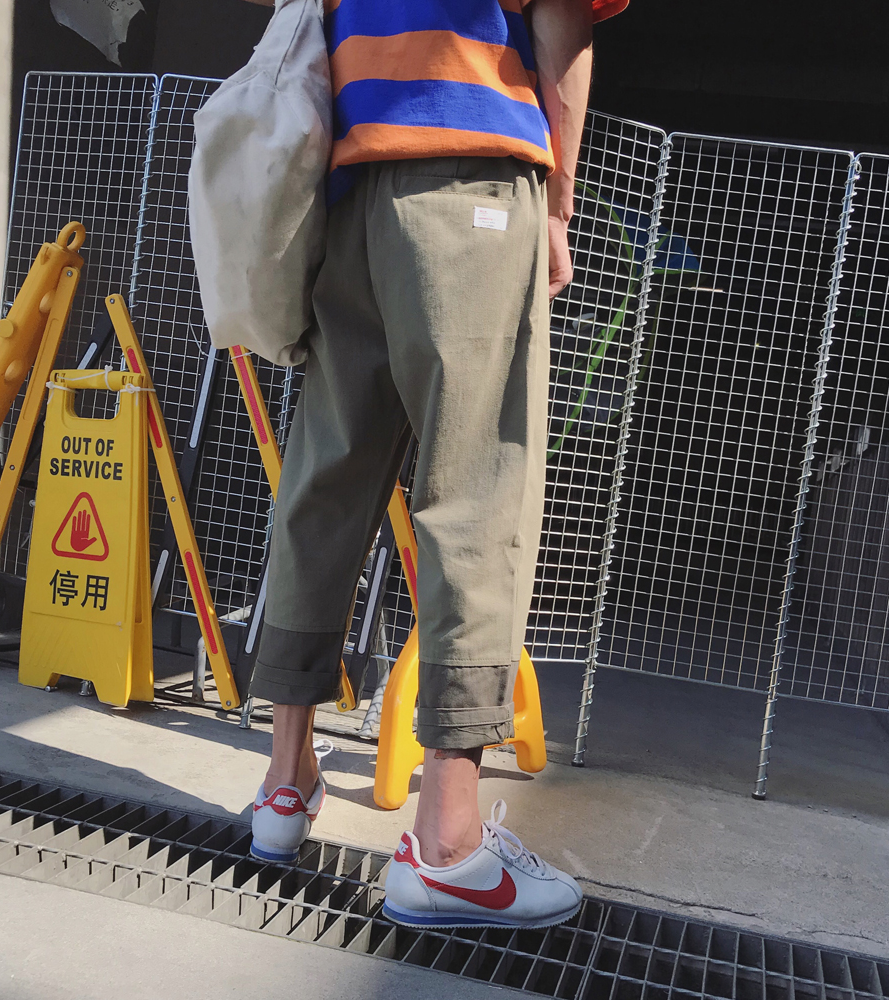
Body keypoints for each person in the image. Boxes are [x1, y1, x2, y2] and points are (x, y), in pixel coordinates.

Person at [242, 0, 627, 929]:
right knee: (477, 492)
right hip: (471, 183)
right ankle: (447, 849)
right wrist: (558, 205)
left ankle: (284, 785)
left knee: (325, 483)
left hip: (346, 196)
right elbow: (563, 26)